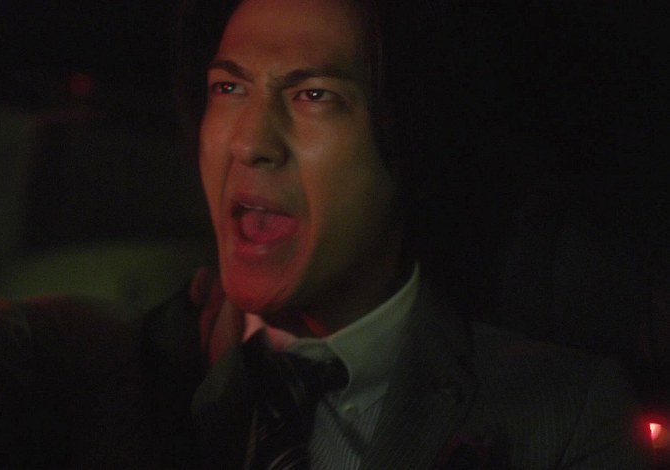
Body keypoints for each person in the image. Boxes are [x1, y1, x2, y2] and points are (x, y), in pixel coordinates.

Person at [139, 0, 653, 468]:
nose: (249, 142)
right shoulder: (128, 376)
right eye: (228, 88)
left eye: (314, 95)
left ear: (413, 136)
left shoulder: (563, 414)